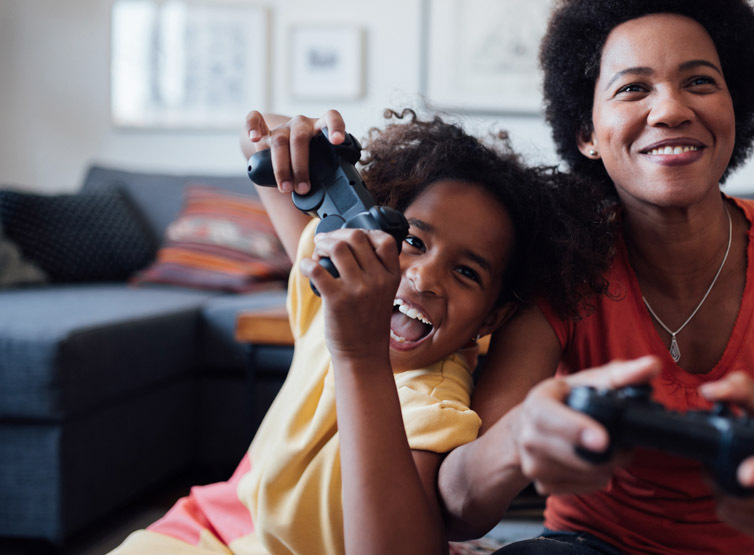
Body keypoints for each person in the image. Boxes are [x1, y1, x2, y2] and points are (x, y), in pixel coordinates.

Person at [436, 1, 754, 554]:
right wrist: (515, 437)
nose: (672, 110)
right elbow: (461, 509)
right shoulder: (562, 267)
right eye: (633, 89)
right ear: (586, 131)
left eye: (699, 81)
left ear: (735, 106)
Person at [109, 108, 605, 554]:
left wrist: (358, 353)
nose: (425, 276)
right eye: (412, 240)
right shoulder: (335, 287)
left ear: (491, 319)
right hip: (199, 531)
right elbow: (258, 146)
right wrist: (299, 145)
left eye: (466, 272)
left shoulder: (432, 406)